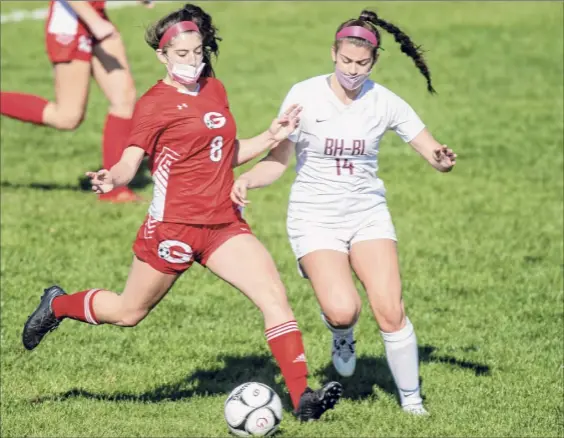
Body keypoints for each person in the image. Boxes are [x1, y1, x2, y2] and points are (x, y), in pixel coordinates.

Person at [21, 3, 342, 422]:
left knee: (275, 299)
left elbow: (226, 155)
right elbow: (129, 161)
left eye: (198, 52)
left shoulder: (214, 87)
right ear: (163, 56)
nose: (192, 61)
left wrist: (271, 134)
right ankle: (58, 305)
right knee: (128, 312)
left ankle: (303, 400)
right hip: (173, 228)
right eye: (182, 55)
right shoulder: (154, 103)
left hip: (224, 224)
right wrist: (111, 178)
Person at [231, 9, 457, 416]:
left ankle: (412, 402)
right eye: (346, 61)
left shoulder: (384, 101)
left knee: (390, 309)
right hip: (315, 218)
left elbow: (430, 147)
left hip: (367, 214)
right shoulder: (304, 95)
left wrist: (441, 160)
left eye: (362, 63)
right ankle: (342, 332)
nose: (353, 70)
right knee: (343, 308)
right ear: (333, 54)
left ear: (374, 61)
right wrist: (247, 179)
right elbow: (279, 160)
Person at [0, 0, 153, 202]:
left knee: (124, 98)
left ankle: (113, 190)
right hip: (71, 19)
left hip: (94, 13)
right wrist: (94, 22)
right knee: (67, 117)